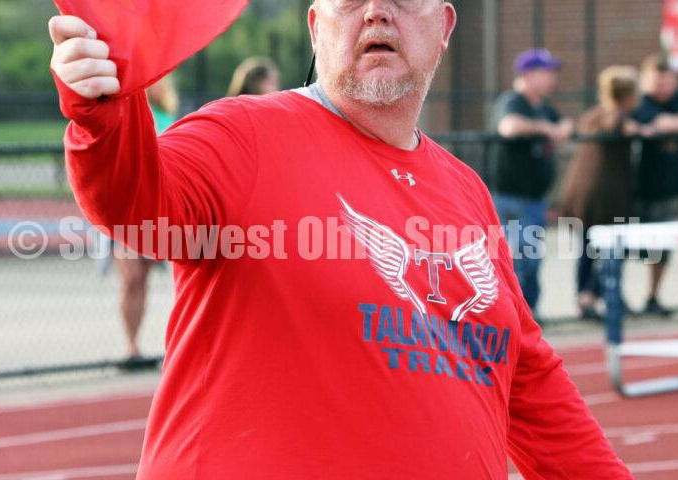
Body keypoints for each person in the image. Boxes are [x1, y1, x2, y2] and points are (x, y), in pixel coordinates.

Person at [48, 2, 631, 478]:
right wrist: (102, 112)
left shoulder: (464, 190)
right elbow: (134, 205)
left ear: (445, 26)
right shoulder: (243, 134)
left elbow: (525, 376)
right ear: (315, 25)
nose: (377, 12)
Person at [488, 48, 574, 316]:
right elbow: (509, 127)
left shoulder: (544, 107)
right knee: (515, 259)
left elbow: (565, 124)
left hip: (535, 199)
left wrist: (563, 127)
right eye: (546, 73)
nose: (552, 79)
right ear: (528, 74)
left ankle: (527, 313)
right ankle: (514, 314)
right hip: (511, 197)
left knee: (531, 259)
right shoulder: (513, 101)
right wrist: (547, 129)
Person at [560, 66, 642, 321]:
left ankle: (590, 295)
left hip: (578, 191)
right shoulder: (617, 116)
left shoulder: (590, 115)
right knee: (614, 246)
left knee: (587, 247)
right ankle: (592, 295)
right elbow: (615, 123)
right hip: (606, 196)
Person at [109, 75, 179, 368]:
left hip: (162, 212)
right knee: (132, 279)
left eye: (162, 81)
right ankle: (132, 345)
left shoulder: (168, 117)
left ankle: (174, 347)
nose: (158, 86)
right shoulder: (126, 111)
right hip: (129, 212)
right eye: (153, 80)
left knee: (172, 281)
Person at [631, 54, 678, 316]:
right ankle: (610, 298)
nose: (662, 88)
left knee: (660, 248)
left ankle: (652, 296)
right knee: (621, 246)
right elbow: (654, 121)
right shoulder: (638, 102)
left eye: (667, 82)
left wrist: (671, 124)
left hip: (664, 189)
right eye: (657, 82)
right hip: (633, 190)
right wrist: (671, 123)